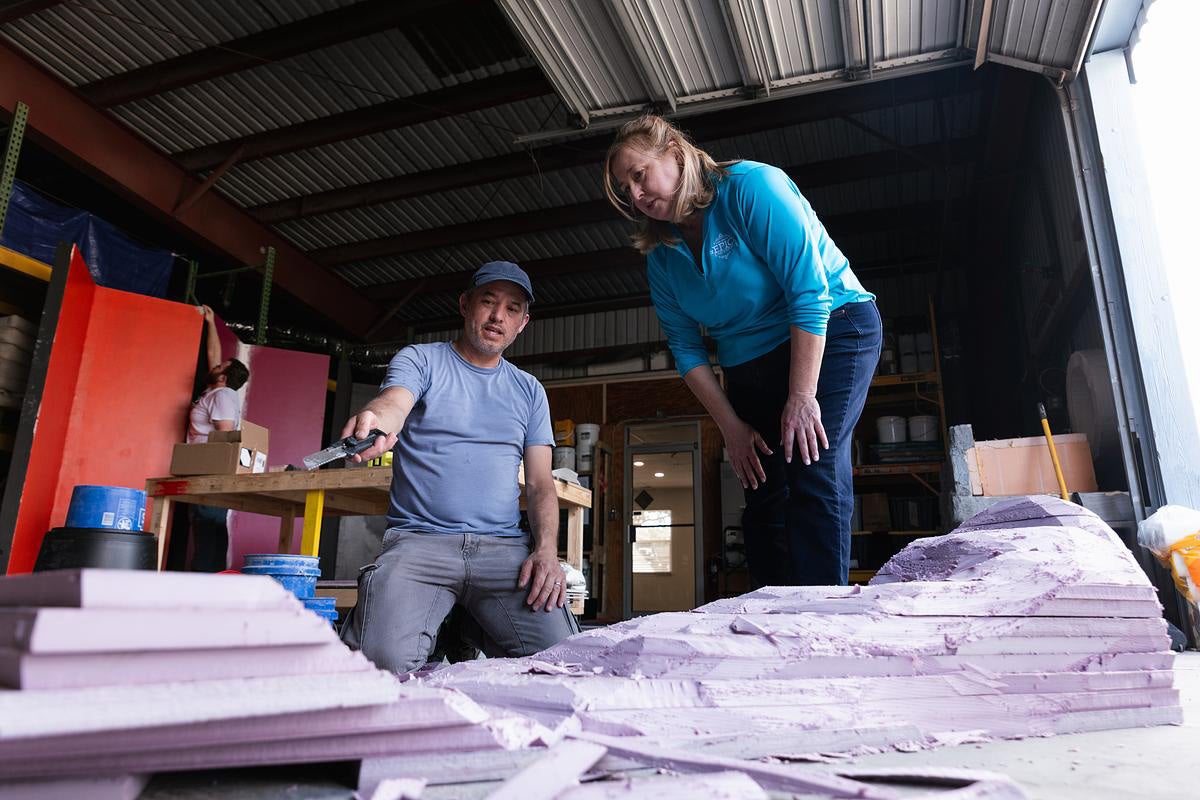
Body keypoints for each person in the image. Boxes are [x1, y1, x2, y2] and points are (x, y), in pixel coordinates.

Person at [603, 115, 882, 587]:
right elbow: (687, 350)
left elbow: (808, 290)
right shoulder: (663, 255)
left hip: (830, 328)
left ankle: (823, 618)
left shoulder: (752, 187)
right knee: (761, 486)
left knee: (810, 464)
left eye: (638, 175)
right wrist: (731, 429)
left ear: (675, 153)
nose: (634, 195)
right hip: (750, 360)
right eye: (623, 187)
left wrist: (801, 394)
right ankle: (775, 617)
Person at [339, 261, 578, 674]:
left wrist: (546, 552)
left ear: (523, 323)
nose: (497, 316)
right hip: (420, 542)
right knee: (380, 665)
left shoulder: (529, 391)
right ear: (466, 305)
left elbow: (540, 485)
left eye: (512, 308)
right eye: (488, 302)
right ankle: (451, 619)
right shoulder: (422, 360)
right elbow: (394, 403)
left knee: (565, 660)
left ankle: (467, 623)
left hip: (504, 552)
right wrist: (375, 421)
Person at [185, 305, 249, 572]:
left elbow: (224, 435)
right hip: (205, 470)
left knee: (207, 530)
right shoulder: (217, 391)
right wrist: (211, 323)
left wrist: (215, 474)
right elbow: (214, 357)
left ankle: (206, 588)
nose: (216, 365)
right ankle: (212, 585)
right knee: (208, 529)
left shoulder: (221, 396)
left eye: (221, 367)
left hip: (209, 471)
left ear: (223, 377)